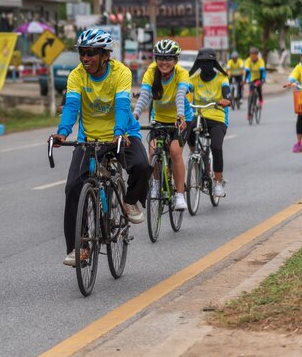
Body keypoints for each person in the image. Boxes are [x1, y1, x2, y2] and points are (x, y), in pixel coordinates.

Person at [51, 28, 150, 267]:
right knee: (73, 187)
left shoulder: (121, 73)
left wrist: (119, 133)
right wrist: (63, 133)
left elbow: (123, 106)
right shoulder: (76, 76)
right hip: (90, 138)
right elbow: (72, 107)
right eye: (82, 53)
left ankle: (129, 200)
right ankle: (79, 248)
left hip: (122, 133)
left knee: (142, 166)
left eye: (91, 53)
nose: (85, 58)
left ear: (105, 55)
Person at [133, 39, 189, 211]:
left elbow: (180, 96)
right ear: (156, 59)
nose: (164, 62)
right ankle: (156, 183)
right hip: (159, 119)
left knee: (174, 151)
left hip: (181, 118)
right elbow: (144, 96)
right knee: (153, 151)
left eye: (169, 58)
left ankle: (179, 194)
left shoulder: (182, 74)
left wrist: (180, 115)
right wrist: (134, 115)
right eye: (160, 58)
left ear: (176, 60)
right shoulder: (150, 71)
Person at [187, 48, 231, 197]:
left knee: (216, 147)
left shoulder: (221, 78)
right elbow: (185, 88)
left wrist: (226, 99)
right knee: (187, 128)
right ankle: (194, 152)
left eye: (208, 62)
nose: (205, 65)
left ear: (214, 63)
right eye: (202, 62)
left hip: (217, 117)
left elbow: (226, 90)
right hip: (199, 114)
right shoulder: (194, 79)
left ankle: (218, 182)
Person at [244, 47, 266, 120]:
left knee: (258, 88)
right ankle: (249, 114)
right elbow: (247, 72)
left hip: (259, 77)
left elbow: (262, 72)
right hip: (251, 78)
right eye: (251, 55)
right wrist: (245, 81)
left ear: (257, 55)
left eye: (254, 55)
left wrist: (262, 80)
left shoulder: (261, 61)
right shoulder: (247, 61)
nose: (253, 57)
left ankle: (260, 100)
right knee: (250, 96)